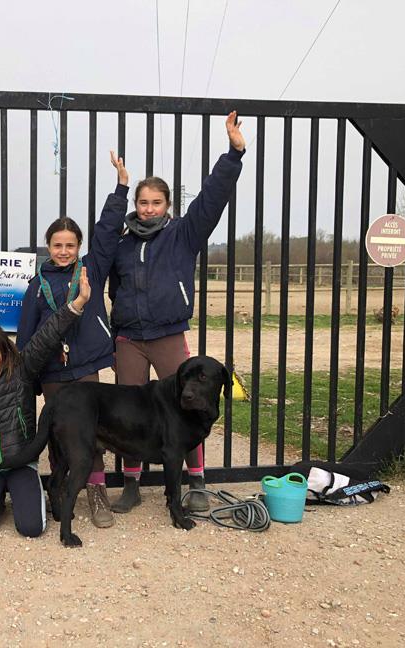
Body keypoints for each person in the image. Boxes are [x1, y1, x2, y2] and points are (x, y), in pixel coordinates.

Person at [108, 111, 245, 514]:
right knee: (129, 412)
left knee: (192, 404)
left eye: (156, 202)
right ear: (135, 204)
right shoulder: (121, 242)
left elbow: (211, 199)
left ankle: (197, 479)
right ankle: (131, 483)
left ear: (168, 205)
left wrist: (233, 154)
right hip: (129, 338)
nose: (148, 209)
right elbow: (113, 282)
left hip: (168, 334)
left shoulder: (183, 234)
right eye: (143, 202)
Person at [16, 154, 128, 528]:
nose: (63, 251)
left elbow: (110, 232)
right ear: (47, 246)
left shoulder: (91, 271)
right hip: (52, 373)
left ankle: (97, 492)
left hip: (85, 369)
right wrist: (28, 380)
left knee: (92, 432)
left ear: (80, 246)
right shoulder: (36, 286)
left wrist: (121, 189)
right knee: (58, 432)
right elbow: (27, 338)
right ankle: (60, 489)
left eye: (70, 244)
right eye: (57, 244)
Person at [0, 268, 92, 537]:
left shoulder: (22, 368)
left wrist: (77, 304)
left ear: (5, 351)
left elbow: (49, 334)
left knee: (32, 528)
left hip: (22, 461)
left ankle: (24, 496)